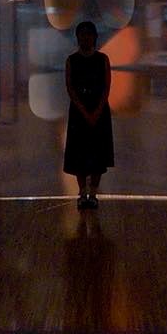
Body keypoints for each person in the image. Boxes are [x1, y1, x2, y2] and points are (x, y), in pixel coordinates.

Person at [63, 20, 114, 208]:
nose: (86, 38)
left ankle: (93, 193)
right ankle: (83, 192)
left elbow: (106, 87)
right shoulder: (72, 60)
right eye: (82, 34)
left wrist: (97, 110)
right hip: (80, 112)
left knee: (97, 153)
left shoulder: (103, 59)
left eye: (89, 34)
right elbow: (70, 88)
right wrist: (86, 112)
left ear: (95, 37)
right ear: (78, 37)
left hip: (96, 110)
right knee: (80, 153)